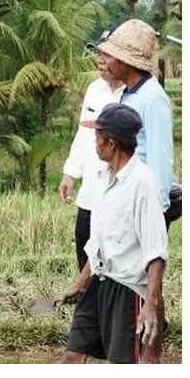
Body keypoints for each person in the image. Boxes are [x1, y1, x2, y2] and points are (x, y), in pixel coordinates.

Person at [60, 103, 169, 364]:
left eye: (98, 136)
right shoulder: (101, 178)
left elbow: (156, 252)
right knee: (71, 356)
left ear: (111, 143)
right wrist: (81, 280)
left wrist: (151, 305)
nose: (94, 142)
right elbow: (98, 241)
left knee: (121, 367)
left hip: (127, 290)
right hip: (99, 282)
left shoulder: (142, 183)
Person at [91, 19, 179, 225]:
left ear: (125, 61)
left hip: (144, 205)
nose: (104, 62)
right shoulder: (130, 94)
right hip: (127, 198)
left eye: (109, 56)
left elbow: (160, 156)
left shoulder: (152, 98)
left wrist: (157, 209)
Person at [59, 28, 125, 270]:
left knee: (111, 261)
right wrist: (70, 172)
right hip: (89, 190)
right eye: (99, 53)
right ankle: (88, 305)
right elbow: (83, 133)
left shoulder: (133, 95)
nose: (100, 60)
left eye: (108, 54)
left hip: (117, 193)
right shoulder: (94, 89)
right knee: (84, 248)